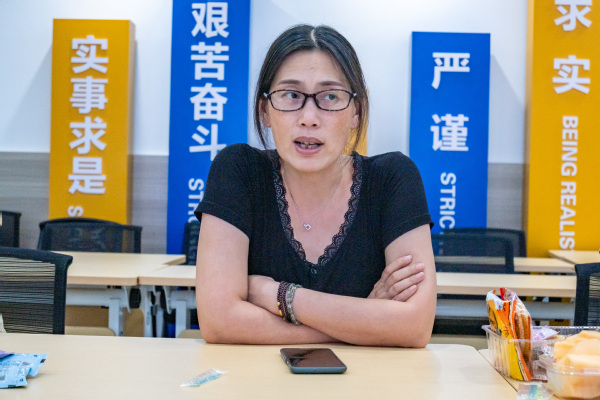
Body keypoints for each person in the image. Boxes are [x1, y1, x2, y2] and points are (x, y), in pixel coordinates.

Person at [194, 24, 436, 347]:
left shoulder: (393, 179)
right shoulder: (238, 171)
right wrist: (365, 321)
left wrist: (279, 294)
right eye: (291, 95)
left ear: (355, 112)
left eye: (330, 97)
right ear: (265, 110)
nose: (309, 117)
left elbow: (415, 326)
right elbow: (219, 322)